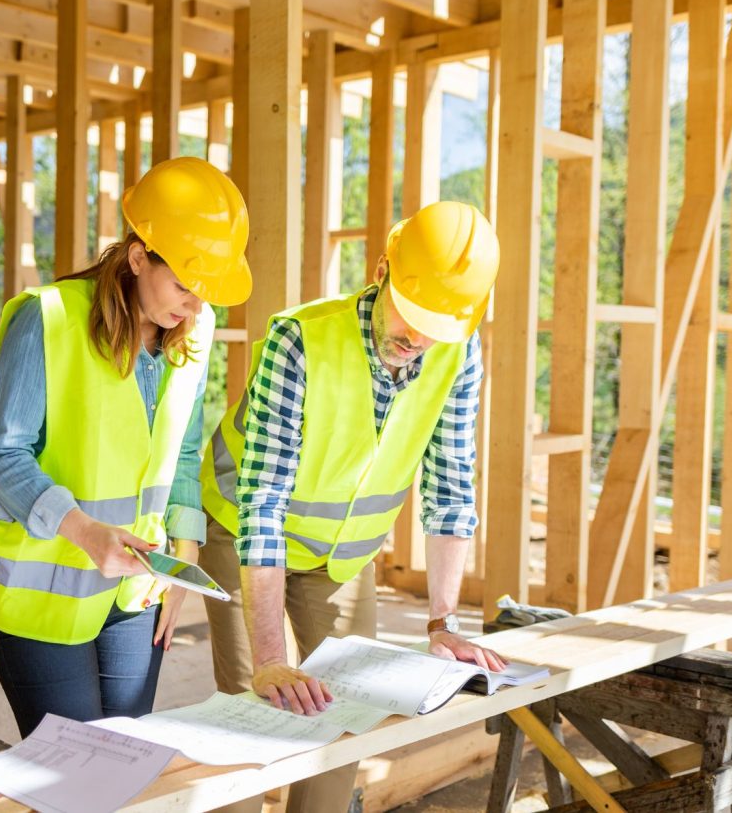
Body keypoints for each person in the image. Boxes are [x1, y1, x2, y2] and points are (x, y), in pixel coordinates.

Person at [199, 201, 505, 813]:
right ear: (381, 267)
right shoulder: (300, 339)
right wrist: (269, 661)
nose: (417, 340)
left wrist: (442, 623)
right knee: (250, 713)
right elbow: (263, 502)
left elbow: (450, 488)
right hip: (245, 531)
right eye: (412, 317)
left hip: (342, 556)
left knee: (345, 715)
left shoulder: (458, 351)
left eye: (436, 328)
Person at [0, 157, 251, 738]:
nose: (193, 307)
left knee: (122, 760)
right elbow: (1, 456)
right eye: (182, 286)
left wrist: (185, 561)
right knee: (73, 778)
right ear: (139, 255)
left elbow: (183, 456)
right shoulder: (47, 320)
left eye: (206, 293)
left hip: (136, 589)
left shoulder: (192, 331)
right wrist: (86, 532)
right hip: (44, 594)